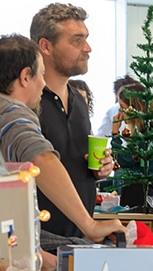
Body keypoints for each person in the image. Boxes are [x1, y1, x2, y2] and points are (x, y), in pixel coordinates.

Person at [0, 34, 123, 271]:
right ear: (24, 77)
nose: (43, 83)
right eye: (40, 75)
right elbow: (41, 158)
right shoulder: (13, 113)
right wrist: (89, 225)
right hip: (11, 252)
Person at [30, 3, 116, 240]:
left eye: (86, 39)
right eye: (77, 40)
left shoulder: (78, 101)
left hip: (81, 238)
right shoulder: (28, 103)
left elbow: (77, 162)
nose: (87, 48)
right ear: (45, 46)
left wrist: (101, 168)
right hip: (41, 241)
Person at [110, 76, 153, 208]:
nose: (120, 113)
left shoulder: (143, 138)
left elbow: (122, 160)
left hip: (139, 195)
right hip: (151, 194)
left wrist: (115, 134)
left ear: (134, 109)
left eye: (122, 107)